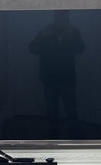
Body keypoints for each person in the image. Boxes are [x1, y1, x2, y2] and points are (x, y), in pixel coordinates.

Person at [29, 11, 85, 139]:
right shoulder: (46, 31)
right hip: (49, 77)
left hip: (67, 77)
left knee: (71, 108)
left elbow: (80, 49)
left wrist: (72, 35)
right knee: (51, 109)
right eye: (58, 16)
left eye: (63, 16)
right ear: (54, 17)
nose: (60, 19)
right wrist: (42, 36)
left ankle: (75, 136)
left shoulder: (73, 31)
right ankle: (53, 136)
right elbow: (33, 49)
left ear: (67, 17)